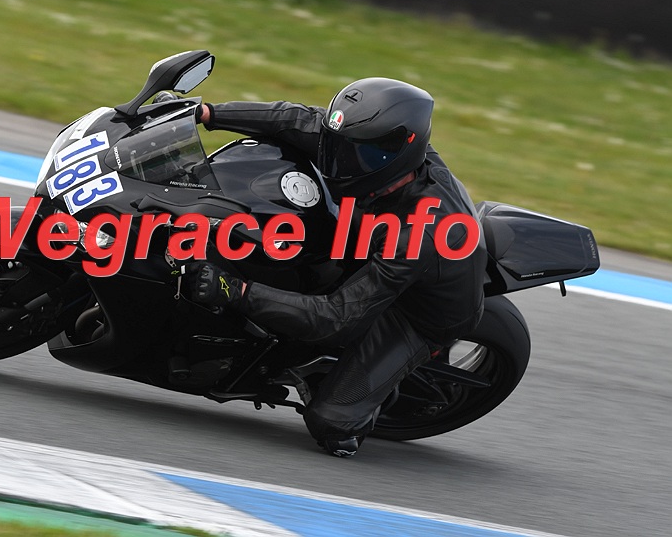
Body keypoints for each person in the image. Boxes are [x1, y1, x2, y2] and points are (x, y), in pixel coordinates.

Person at [181, 78, 487, 457]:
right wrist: (207, 113)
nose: (339, 159)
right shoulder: (376, 151)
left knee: (330, 422)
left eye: (357, 152)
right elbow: (296, 119)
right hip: (375, 246)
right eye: (339, 144)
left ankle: (367, 405)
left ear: (398, 150)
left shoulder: (418, 234)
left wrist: (237, 291)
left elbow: (336, 318)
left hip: (416, 315)